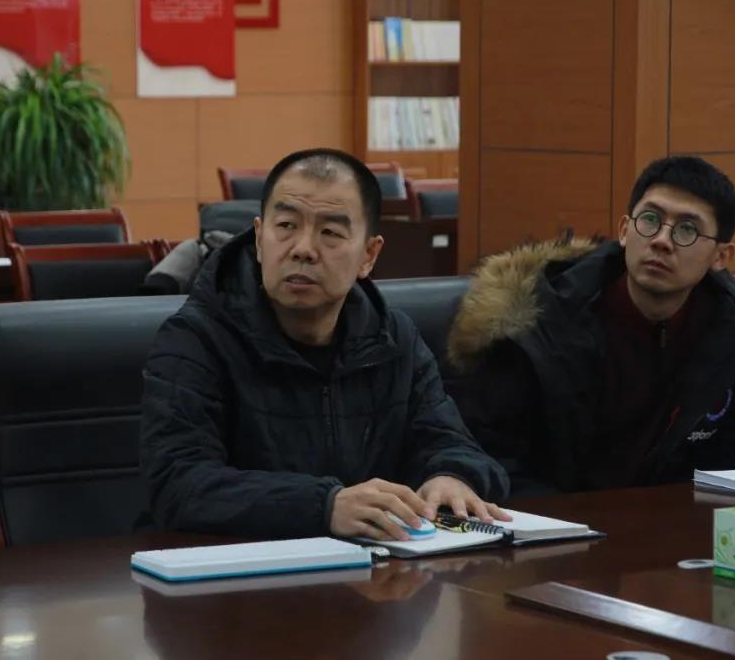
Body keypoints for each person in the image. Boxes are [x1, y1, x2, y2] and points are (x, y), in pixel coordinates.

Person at [140, 148, 509, 541]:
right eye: (286, 226)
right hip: (234, 571)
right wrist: (323, 506)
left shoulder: (393, 338)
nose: (303, 248)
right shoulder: (196, 338)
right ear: (260, 239)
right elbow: (178, 484)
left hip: (377, 568)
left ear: (369, 255)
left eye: (330, 232)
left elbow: (451, 441)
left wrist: (452, 475)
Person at [444, 155, 735, 496]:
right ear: (624, 230)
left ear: (721, 256)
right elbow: (494, 461)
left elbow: (727, 477)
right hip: (550, 526)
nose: (662, 241)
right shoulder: (537, 324)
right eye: (650, 220)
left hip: (676, 531)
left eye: (687, 230)